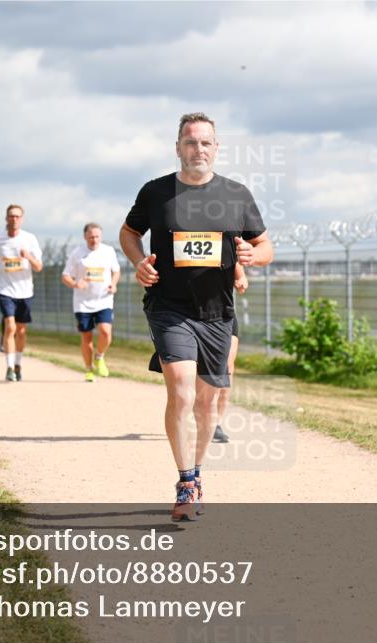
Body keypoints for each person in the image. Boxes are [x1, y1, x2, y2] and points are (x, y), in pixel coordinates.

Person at [119, 112, 273, 522]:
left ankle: (198, 472)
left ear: (216, 148)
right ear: (178, 148)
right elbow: (129, 233)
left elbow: (265, 246)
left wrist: (251, 256)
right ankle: (185, 480)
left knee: (207, 405)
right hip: (168, 308)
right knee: (182, 391)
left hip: (216, 313)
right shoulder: (156, 193)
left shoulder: (236, 194)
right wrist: (138, 262)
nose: (198, 149)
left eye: (205, 142)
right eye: (190, 142)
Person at [62, 222, 121, 382]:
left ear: (101, 237)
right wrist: (75, 284)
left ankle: (99, 357)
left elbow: (116, 270)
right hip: (82, 302)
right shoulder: (77, 253)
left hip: (104, 299)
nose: (94, 240)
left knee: (105, 332)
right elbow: (65, 275)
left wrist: (114, 284)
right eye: (91, 237)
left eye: (97, 237)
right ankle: (89, 370)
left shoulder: (108, 251)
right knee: (86, 337)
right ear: (85, 237)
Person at [0, 204, 43, 382]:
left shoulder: (29, 239)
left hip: (25, 290)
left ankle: (18, 363)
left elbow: (38, 267)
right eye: (11, 216)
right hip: (4, 289)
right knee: (10, 327)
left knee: (21, 331)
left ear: (21, 219)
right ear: (6, 218)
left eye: (17, 216)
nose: (14, 219)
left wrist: (28, 256)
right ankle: (9, 367)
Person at [212, 264, 248, 443]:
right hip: (188, 315)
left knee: (226, 367)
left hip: (224, 314)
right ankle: (201, 412)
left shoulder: (225, 237)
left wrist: (241, 277)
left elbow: (234, 261)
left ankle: (216, 423)